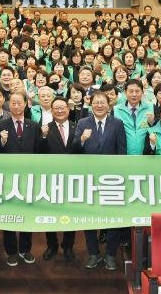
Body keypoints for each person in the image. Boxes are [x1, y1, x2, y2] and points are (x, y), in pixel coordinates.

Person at [72, 91, 127, 271]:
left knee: (113, 217)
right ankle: (93, 253)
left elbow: (122, 151)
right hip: (88, 178)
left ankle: (110, 254)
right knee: (89, 217)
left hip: (112, 179)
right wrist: (82, 139)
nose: (99, 105)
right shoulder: (82, 123)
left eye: (103, 102)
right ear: (91, 104)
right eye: (96, 102)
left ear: (109, 105)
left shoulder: (117, 123)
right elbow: (74, 149)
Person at [0, 92, 40, 267]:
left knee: (27, 214)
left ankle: (25, 249)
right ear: (8, 105)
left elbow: (39, 151)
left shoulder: (33, 126)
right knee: (9, 214)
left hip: (29, 177)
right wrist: (2, 141)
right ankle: (11, 251)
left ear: (25, 104)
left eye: (19, 103)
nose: (16, 106)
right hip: (8, 177)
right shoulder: (0, 125)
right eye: (13, 103)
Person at [39, 97, 76, 261]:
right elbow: (39, 152)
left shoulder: (77, 127)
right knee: (50, 212)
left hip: (73, 177)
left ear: (68, 109)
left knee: (71, 211)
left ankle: (68, 245)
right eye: (56, 108)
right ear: (52, 111)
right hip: (51, 177)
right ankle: (52, 245)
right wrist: (43, 136)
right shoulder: (45, 128)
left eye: (63, 107)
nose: (60, 111)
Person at [113, 79, 154, 155]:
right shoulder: (116, 109)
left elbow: (157, 129)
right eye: (131, 91)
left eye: (137, 91)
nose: (134, 94)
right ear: (125, 93)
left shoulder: (151, 108)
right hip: (124, 155)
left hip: (146, 155)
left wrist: (152, 122)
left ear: (142, 92)